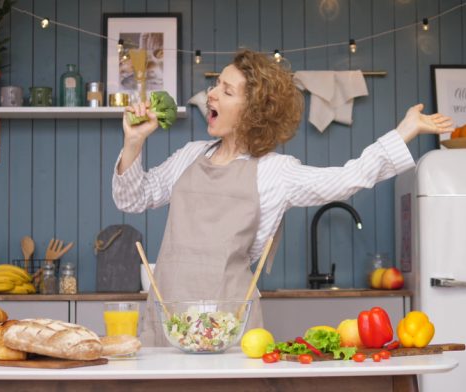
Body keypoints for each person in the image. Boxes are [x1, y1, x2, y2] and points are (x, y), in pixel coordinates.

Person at [112, 49, 453, 347]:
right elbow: (134, 198)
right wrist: (134, 141)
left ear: (253, 112)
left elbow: (350, 176)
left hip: (229, 326)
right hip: (167, 319)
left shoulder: (275, 172)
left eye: (226, 91)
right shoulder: (190, 155)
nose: (211, 95)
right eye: (216, 85)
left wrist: (404, 130)